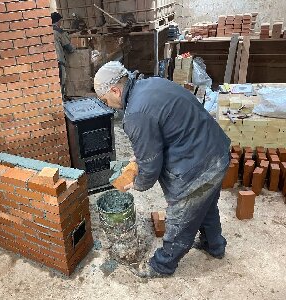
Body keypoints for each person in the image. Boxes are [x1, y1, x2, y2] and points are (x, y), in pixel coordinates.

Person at [94, 61, 231, 278]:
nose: (108, 105)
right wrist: (138, 155)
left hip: (199, 166)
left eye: (105, 100)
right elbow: (161, 131)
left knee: (180, 218)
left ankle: (162, 266)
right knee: (205, 204)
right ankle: (214, 245)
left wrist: (137, 183)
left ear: (115, 90)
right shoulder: (151, 84)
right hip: (217, 152)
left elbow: (150, 165)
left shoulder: (135, 114)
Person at [51, 12, 75, 99]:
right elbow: (69, 48)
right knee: (61, 82)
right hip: (59, 60)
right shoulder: (59, 32)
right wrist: (74, 48)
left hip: (48, 62)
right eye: (60, 21)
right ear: (58, 21)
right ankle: (61, 102)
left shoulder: (45, 30)